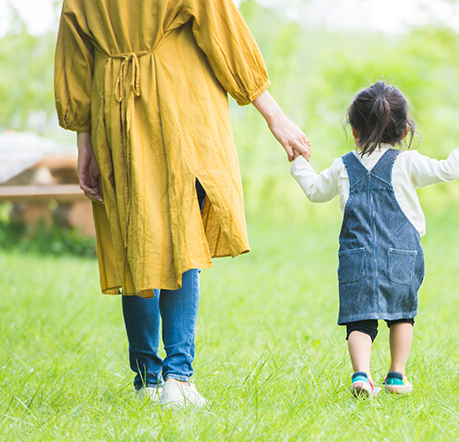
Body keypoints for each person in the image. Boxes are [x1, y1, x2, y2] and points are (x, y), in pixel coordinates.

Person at [54, 0, 311, 407]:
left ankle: (147, 380)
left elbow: (75, 58)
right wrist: (274, 115)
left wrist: (84, 140)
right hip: (178, 106)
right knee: (181, 233)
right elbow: (222, 33)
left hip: (114, 113)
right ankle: (179, 377)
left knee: (135, 237)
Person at [290, 82, 459, 397]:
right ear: (403, 130)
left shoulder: (343, 166)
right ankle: (396, 376)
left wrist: (298, 161)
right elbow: (448, 170)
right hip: (402, 256)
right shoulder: (407, 162)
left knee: (360, 320)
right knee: (402, 315)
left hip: (356, 257)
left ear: (354, 130)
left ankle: (361, 375)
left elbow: (315, 191)